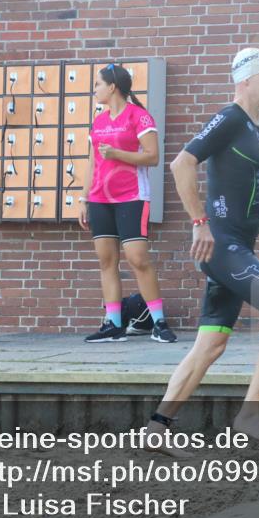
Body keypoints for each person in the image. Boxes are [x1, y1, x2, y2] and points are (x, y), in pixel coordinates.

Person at [146, 47, 259, 452]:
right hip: (224, 246)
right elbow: (181, 164)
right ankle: (249, 415)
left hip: (233, 247)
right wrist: (198, 223)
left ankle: (157, 426)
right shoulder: (229, 119)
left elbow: (255, 183)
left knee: (211, 344)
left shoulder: (255, 129)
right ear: (247, 79)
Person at [78, 63, 177, 344]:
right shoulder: (98, 122)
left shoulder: (140, 117)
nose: (94, 89)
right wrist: (84, 199)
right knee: (106, 261)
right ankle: (114, 324)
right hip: (99, 199)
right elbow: (91, 162)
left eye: (98, 84)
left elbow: (153, 157)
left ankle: (158, 323)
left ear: (112, 87)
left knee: (138, 259)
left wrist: (118, 153)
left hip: (132, 197)